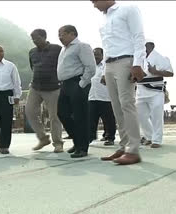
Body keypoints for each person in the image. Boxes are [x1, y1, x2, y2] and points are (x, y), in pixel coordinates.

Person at [91, 0, 147, 165]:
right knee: (116, 107)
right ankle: (123, 146)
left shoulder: (128, 9)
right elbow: (107, 45)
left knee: (126, 104)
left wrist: (138, 64)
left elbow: (139, 37)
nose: (94, 5)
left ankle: (133, 150)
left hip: (125, 61)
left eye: (94, 1)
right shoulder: (105, 18)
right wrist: (103, 71)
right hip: (109, 64)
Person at [57, 25, 96, 158]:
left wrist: (81, 84)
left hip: (77, 82)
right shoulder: (64, 49)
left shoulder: (82, 46)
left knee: (80, 116)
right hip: (65, 84)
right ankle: (77, 141)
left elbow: (90, 67)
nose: (60, 37)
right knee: (62, 113)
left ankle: (82, 148)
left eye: (62, 34)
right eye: (59, 34)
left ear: (72, 34)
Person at [25, 29, 64, 153]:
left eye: (36, 38)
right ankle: (43, 138)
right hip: (36, 87)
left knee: (54, 116)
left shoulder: (57, 49)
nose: (34, 41)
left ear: (44, 37)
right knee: (29, 111)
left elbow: (62, 64)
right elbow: (33, 67)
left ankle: (58, 143)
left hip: (53, 87)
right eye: (33, 39)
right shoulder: (32, 52)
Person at [136, 40, 173, 149]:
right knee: (140, 116)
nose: (144, 48)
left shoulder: (161, 58)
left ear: (152, 46)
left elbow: (170, 73)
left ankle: (157, 140)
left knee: (157, 116)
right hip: (140, 91)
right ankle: (149, 136)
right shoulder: (138, 59)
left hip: (155, 91)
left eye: (146, 46)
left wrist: (156, 71)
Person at [89, 47, 117, 146]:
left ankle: (110, 137)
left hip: (105, 97)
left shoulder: (106, 66)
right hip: (92, 96)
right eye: (93, 54)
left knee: (108, 119)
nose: (95, 56)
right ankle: (90, 137)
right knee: (91, 118)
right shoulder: (90, 66)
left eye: (97, 54)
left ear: (102, 55)